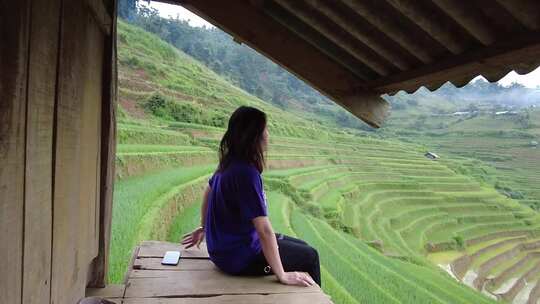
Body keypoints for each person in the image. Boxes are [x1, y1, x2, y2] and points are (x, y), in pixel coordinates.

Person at [181, 106, 321, 287]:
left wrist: (203, 226)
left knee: (302, 246)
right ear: (254, 136)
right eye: (265, 129)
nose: (268, 135)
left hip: (222, 250)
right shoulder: (246, 174)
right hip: (239, 258)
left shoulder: (229, 163)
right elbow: (264, 230)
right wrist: (282, 275)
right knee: (310, 257)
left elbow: (208, 192)